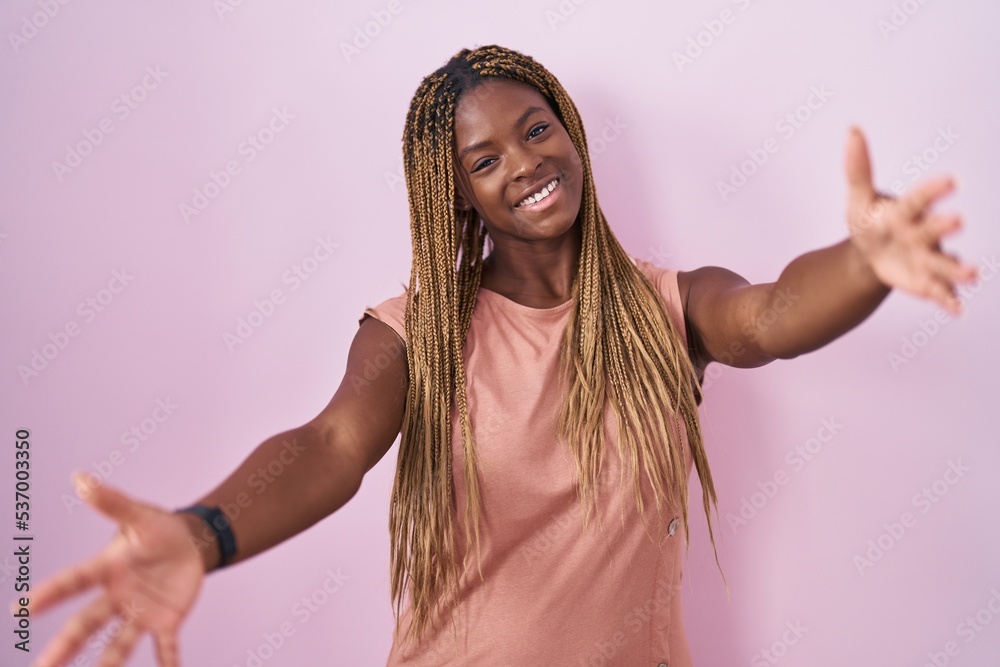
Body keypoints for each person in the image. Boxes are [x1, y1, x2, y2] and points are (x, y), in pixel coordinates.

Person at [14, 44, 976, 667]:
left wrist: (868, 261)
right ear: (458, 193)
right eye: (484, 160)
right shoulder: (419, 332)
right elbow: (330, 447)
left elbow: (769, 317)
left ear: (569, 133)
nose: (523, 164)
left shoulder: (667, 308)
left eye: (535, 129)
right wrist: (205, 530)